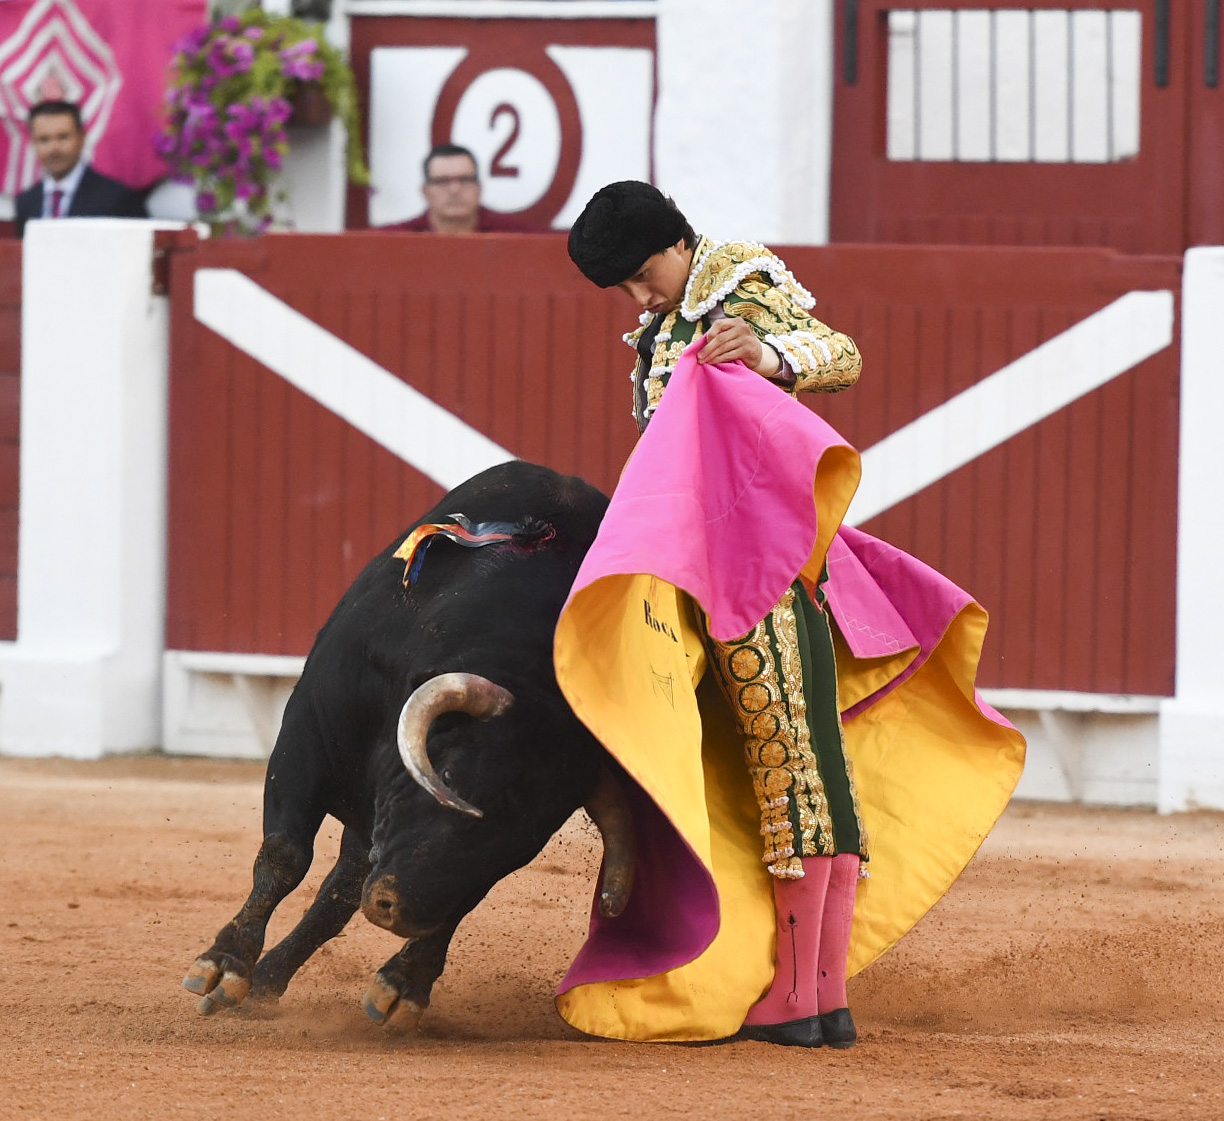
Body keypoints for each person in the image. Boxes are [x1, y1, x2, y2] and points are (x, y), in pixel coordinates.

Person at [566, 181, 867, 1048]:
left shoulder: (736, 286)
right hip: (706, 570)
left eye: (642, 276)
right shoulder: (668, 321)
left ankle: (805, 998)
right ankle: (817, 996)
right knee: (785, 768)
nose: (640, 297)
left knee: (792, 766)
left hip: (757, 564)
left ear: (674, 243)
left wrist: (771, 354)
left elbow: (839, 354)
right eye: (623, 289)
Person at [15, 100, 146, 238]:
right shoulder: (26, 202)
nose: (54, 148)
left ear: (81, 138)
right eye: (44, 139)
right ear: (32, 143)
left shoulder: (116, 198)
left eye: (63, 137)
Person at [388, 143, 531, 234]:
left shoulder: (517, 237)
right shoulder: (390, 241)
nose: (455, 190)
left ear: (479, 189)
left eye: (465, 180)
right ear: (425, 192)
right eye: (442, 181)